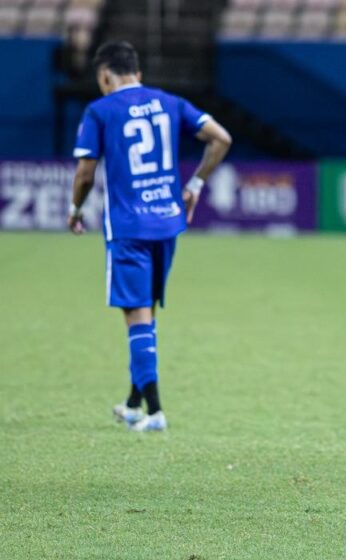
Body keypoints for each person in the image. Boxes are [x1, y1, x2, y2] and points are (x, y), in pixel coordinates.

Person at [68, 41, 232, 432]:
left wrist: (75, 210)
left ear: (104, 77)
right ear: (137, 73)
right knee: (146, 313)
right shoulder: (169, 102)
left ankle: (156, 412)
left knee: (136, 315)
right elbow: (221, 138)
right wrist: (194, 184)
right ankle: (132, 403)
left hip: (129, 227)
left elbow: (85, 174)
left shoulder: (100, 111)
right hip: (168, 222)